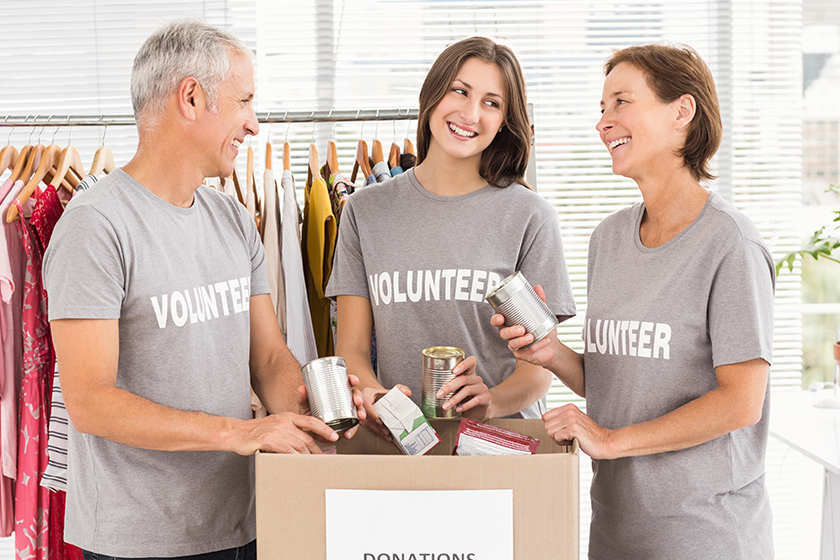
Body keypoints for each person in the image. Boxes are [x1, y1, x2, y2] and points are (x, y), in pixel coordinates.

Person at [43, 19, 362, 560]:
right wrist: (238, 433)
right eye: (245, 102)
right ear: (191, 98)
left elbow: (268, 358)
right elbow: (90, 401)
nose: (254, 124)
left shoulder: (232, 219)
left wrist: (322, 411)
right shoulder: (95, 225)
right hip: (139, 543)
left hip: (242, 524)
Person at [496, 44, 774, 559]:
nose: (603, 122)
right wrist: (551, 353)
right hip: (616, 529)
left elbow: (741, 402)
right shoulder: (608, 239)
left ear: (682, 111)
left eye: (621, 102)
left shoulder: (731, 244)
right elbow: (621, 382)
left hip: (704, 536)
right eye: (602, 108)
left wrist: (608, 440)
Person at [326, 36, 576, 440]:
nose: (470, 113)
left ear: (504, 120)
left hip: (502, 449)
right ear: (432, 94)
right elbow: (351, 349)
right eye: (460, 91)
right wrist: (376, 399)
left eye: (491, 103)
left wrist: (490, 401)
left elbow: (538, 370)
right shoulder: (364, 211)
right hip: (402, 445)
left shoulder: (531, 217)